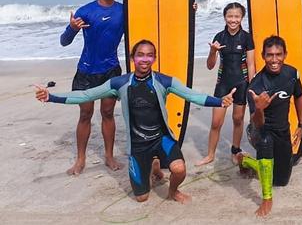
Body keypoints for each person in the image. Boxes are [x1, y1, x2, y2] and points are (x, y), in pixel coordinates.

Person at [35, 40, 235, 202]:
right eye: (140, 54)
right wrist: (51, 97)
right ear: (132, 58)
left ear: (154, 58)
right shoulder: (119, 83)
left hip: (161, 137)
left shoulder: (164, 81)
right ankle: (153, 167)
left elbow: (193, 96)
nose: (145, 59)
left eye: (149, 55)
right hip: (138, 144)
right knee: (141, 198)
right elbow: (86, 95)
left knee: (179, 170)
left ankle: (172, 191)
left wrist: (220, 101)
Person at [59, 0, 124, 175]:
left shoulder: (124, 10)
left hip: (111, 70)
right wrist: (72, 28)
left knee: (107, 113)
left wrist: (190, 7)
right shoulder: (85, 11)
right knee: (85, 114)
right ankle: (80, 159)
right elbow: (64, 42)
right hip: (86, 71)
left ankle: (109, 156)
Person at [236, 36, 302, 217]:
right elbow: (256, 123)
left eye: (278, 54)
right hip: (259, 131)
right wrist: (259, 109)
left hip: (283, 131)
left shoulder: (292, 73)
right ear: (263, 56)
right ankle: (267, 199)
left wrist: (301, 123)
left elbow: (299, 95)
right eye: (269, 55)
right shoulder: (256, 85)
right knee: (266, 141)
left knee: (280, 181)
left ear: (285, 54)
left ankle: (244, 160)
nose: (274, 60)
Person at [196, 3, 255, 166]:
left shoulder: (246, 38)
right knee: (216, 122)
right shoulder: (220, 37)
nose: (233, 20)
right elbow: (209, 65)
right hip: (223, 83)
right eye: (230, 16)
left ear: (242, 17)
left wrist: (252, 86)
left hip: (242, 83)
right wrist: (213, 51)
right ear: (224, 17)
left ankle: (235, 151)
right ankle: (210, 155)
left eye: (237, 16)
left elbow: (250, 64)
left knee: (238, 119)